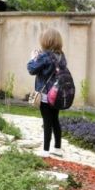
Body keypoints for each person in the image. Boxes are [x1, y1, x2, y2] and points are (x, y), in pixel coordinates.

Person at [27, 28, 66, 158]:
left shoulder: (45, 56)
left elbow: (32, 69)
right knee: (55, 119)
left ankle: (45, 150)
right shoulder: (61, 55)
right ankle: (58, 148)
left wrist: (33, 58)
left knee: (47, 120)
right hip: (57, 94)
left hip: (45, 94)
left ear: (46, 41)